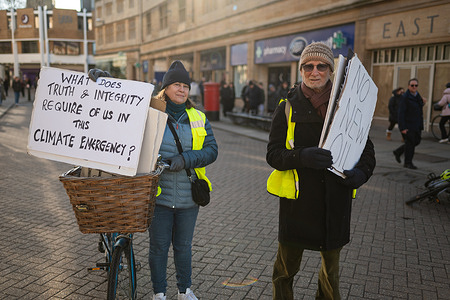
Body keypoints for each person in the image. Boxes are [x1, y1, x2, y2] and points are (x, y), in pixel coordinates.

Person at [266, 42, 376, 300]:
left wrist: (361, 175)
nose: (314, 72)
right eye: (308, 66)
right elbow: (273, 154)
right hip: (298, 205)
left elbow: (368, 153)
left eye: (321, 66)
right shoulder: (286, 107)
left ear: (330, 69)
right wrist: (301, 156)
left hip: (334, 204)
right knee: (284, 272)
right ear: (301, 69)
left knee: (330, 276)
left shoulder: (348, 107)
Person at [149, 61, 218, 300]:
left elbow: (211, 150)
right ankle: (159, 293)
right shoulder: (152, 114)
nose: (182, 90)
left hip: (189, 197)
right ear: (165, 88)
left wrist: (185, 159)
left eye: (186, 86)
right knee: (158, 248)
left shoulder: (198, 117)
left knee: (183, 247)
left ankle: (184, 290)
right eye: (176, 84)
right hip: (158, 197)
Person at [393, 78, 426, 169]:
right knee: (410, 144)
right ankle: (408, 162)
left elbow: (417, 108)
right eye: (412, 85)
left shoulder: (417, 95)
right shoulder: (405, 97)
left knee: (416, 141)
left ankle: (398, 151)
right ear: (408, 86)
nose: (414, 87)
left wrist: (422, 103)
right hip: (409, 125)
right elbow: (401, 113)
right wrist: (402, 127)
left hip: (417, 125)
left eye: (416, 85)